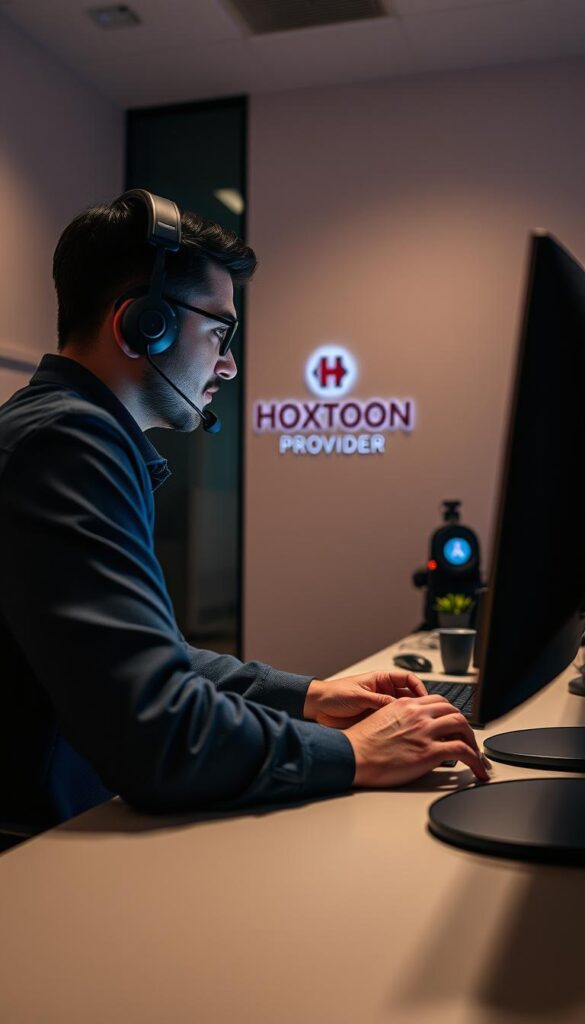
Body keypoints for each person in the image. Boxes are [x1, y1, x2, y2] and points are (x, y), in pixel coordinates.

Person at [0, 191, 488, 833]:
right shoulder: (69, 444)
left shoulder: (64, 434)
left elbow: (146, 656)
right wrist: (353, 752)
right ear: (142, 325)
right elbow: (159, 732)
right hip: (34, 859)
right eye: (219, 333)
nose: (228, 365)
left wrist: (310, 697)